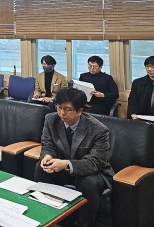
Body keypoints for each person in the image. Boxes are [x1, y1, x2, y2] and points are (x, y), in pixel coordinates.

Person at [35, 87, 114, 227]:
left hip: (94, 172)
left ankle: (84, 223)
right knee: (41, 168)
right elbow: (48, 145)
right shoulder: (51, 119)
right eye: (59, 107)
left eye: (68, 109)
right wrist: (47, 156)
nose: (61, 113)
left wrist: (66, 164)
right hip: (64, 168)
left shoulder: (98, 129)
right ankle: (45, 216)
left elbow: (94, 162)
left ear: (80, 111)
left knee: (87, 182)